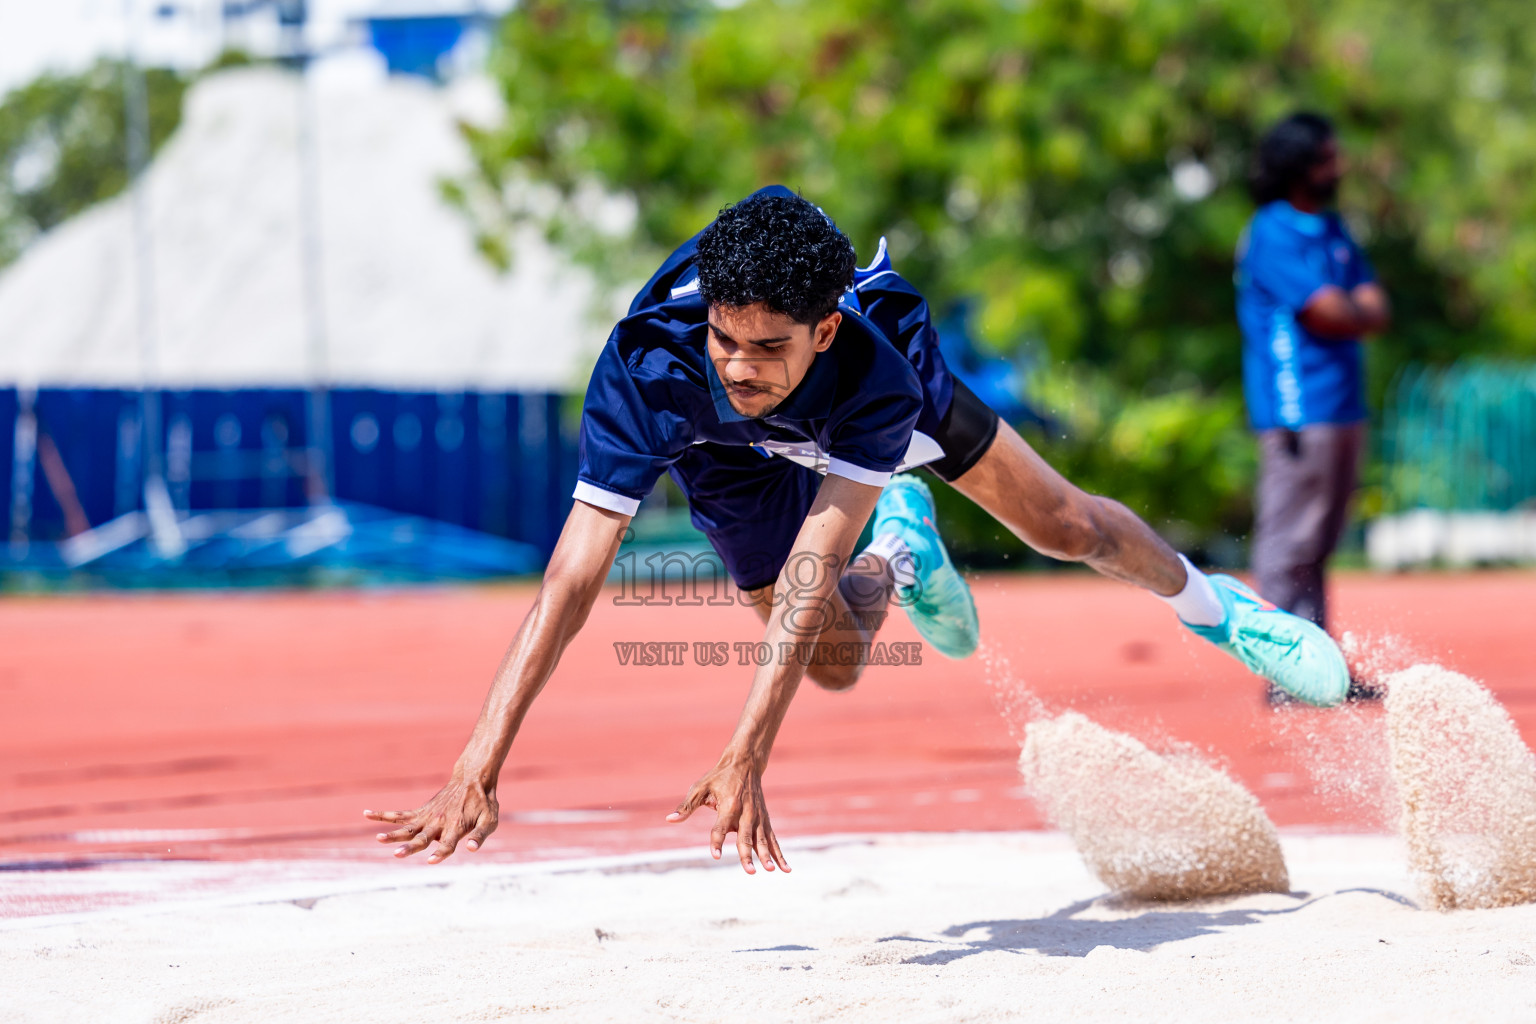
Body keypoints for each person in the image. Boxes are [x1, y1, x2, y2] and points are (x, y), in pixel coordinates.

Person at [366, 187, 1351, 874]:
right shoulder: (646, 366)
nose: (741, 366)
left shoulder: (871, 368)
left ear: (823, 330)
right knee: (836, 661)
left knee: (1063, 523)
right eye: (724, 338)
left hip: (850, 423)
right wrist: (478, 758)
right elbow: (574, 574)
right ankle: (904, 551)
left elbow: (809, 560)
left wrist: (748, 746)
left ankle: (1223, 613)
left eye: (769, 347)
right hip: (723, 460)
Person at [1237, 113, 1391, 659]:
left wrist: (1350, 309)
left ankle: (1315, 658)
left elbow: (1376, 307)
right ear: (1299, 167)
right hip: (1297, 408)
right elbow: (1329, 312)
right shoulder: (1271, 231)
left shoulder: (1332, 229)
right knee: (1288, 541)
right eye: (1327, 158)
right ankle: (1281, 662)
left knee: (1321, 540)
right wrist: (1351, 309)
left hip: (1344, 404)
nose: (1339, 168)